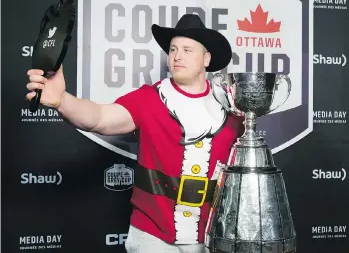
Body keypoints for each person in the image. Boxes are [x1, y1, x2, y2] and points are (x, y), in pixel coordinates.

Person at [26, 14, 244, 253]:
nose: (177, 56)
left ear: (207, 58)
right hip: (152, 239)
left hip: (214, 238)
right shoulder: (148, 99)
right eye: (173, 49)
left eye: (187, 50)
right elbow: (98, 117)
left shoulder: (232, 107)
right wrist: (62, 101)